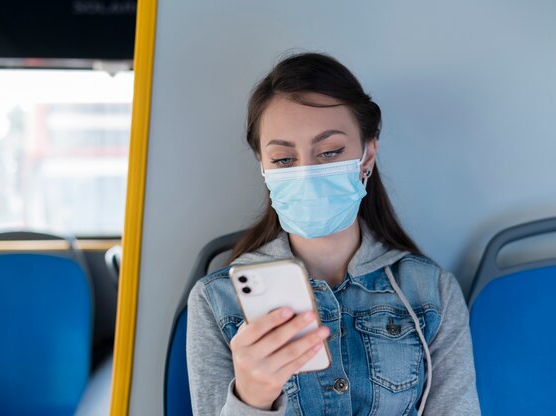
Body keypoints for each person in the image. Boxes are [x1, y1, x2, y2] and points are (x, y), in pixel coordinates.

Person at [187, 52, 481, 416]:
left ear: (367, 155)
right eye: (283, 160)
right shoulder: (216, 301)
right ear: (263, 167)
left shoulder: (432, 292)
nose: (307, 173)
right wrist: (251, 399)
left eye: (328, 152)